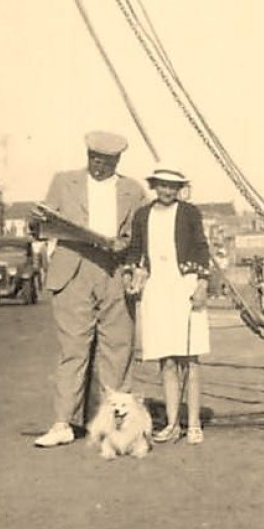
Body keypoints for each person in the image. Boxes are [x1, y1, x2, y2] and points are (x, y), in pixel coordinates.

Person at [32, 131, 148, 449]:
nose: (98, 165)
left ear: (118, 161)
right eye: (93, 159)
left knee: (118, 348)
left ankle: (114, 426)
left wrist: (125, 243)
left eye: (105, 161)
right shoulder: (63, 182)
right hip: (73, 270)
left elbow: (139, 234)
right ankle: (63, 423)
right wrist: (37, 221)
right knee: (73, 350)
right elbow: (43, 224)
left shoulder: (134, 190)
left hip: (115, 270)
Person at [123, 164, 215, 445]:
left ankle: (194, 423)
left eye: (172, 186)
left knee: (190, 358)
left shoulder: (189, 212)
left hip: (185, 285)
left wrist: (201, 284)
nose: (166, 190)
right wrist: (130, 275)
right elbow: (135, 250)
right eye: (162, 185)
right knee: (167, 359)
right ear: (154, 186)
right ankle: (173, 423)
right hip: (157, 288)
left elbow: (201, 247)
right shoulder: (142, 215)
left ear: (179, 189)